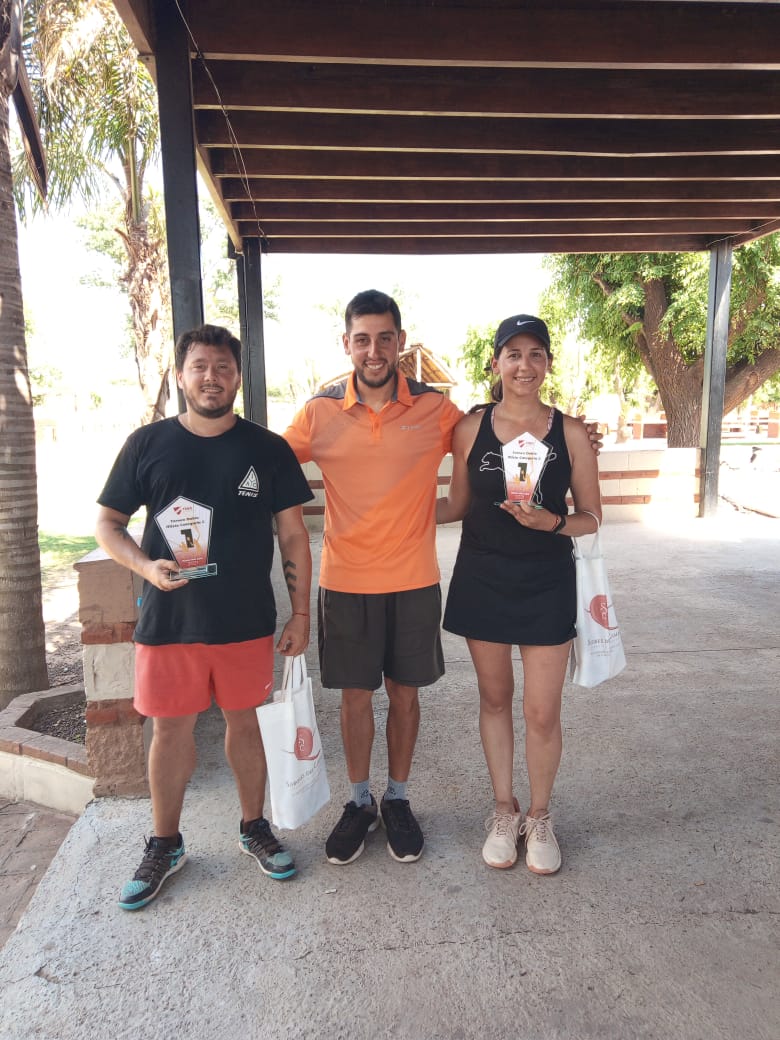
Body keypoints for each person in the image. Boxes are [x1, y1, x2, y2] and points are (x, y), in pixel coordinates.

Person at [284, 292, 602, 867]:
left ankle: (405, 799)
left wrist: (576, 454)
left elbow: (512, 436)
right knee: (360, 699)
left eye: (385, 338)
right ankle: (363, 802)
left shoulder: (439, 411)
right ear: (347, 344)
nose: (374, 350)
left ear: (400, 342)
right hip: (356, 578)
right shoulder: (321, 412)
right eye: (363, 339)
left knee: (412, 696)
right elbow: (266, 461)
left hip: (423, 578)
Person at [96, 324, 314, 910]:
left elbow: (293, 535)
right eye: (200, 367)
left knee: (247, 726)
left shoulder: (267, 449)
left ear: (238, 377)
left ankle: (254, 827)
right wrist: (146, 568)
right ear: (180, 375)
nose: (211, 377)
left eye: (222, 367)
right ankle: (165, 844)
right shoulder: (147, 444)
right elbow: (108, 525)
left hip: (245, 621)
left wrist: (300, 614)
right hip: (169, 622)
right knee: (170, 731)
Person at [437, 314, 602, 876]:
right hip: (483, 578)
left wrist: (551, 522)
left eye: (536, 354)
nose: (524, 366)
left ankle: (540, 816)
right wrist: (388, 513)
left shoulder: (571, 433)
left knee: (542, 710)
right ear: (496, 363)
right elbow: (456, 505)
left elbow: (591, 518)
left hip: (546, 583)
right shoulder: (470, 428)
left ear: (548, 363)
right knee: (494, 698)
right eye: (514, 354)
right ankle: (504, 811)